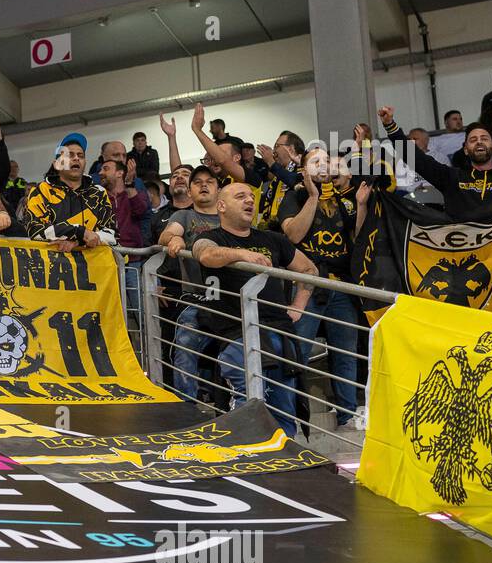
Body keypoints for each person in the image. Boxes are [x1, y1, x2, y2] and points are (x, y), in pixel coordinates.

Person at [193, 182, 318, 438]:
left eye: (251, 196)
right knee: (243, 400)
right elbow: (205, 255)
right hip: (236, 333)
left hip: (278, 331)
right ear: (222, 206)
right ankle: (244, 455)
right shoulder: (212, 238)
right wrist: (241, 254)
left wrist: (299, 304)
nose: (250, 200)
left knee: (284, 403)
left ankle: (283, 458)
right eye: (240, 197)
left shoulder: (274, 239)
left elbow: (310, 270)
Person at [277, 148, 371, 426]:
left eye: (326, 161)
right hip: (307, 285)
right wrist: (314, 197)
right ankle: (290, 415)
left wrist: (362, 205)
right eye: (315, 161)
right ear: (304, 169)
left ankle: (348, 416)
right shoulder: (295, 196)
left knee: (346, 355)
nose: (324, 165)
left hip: (341, 286)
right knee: (299, 352)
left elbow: (357, 236)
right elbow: (293, 233)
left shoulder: (343, 200)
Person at [378, 106, 492, 220]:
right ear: (465, 149)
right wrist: (390, 126)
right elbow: (415, 158)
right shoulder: (451, 177)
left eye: (484, 138)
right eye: (473, 140)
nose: (479, 142)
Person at [157, 166, 221, 401]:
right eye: (198, 182)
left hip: (232, 301)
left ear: (219, 189)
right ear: (191, 192)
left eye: (210, 182)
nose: (204, 185)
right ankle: (188, 409)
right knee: (184, 351)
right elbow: (165, 235)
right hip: (196, 300)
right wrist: (174, 237)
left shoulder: (229, 216)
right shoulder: (183, 216)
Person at [19, 132, 115, 251]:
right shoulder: (41, 191)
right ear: (57, 164)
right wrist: (79, 232)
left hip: (94, 268)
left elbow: (112, 234)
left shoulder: (99, 193)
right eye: (70, 155)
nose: (76, 158)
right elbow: (35, 230)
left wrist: (78, 242)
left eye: (80, 155)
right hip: (50, 266)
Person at [98, 157, 146, 248]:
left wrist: (129, 184)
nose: (100, 173)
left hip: (133, 255)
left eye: (106, 169)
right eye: (100, 170)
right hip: (107, 254)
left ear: (119, 173)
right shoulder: (99, 198)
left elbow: (140, 212)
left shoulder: (135, 194)